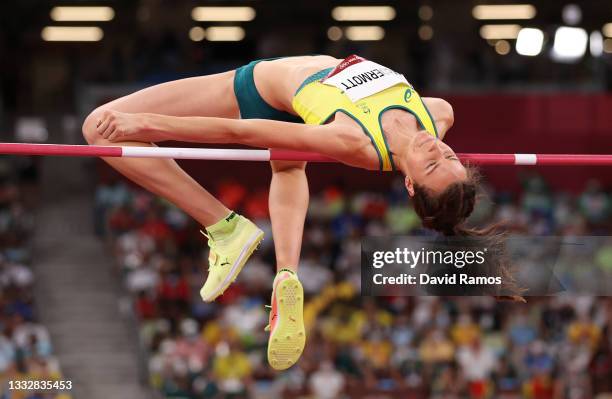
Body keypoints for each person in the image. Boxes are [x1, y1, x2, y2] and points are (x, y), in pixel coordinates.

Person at [82, 54, 474, 370]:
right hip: (302, 110)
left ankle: (222, 224)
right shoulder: (438, 115)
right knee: (288, 165)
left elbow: (242, 133)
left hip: (261, 89)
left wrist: (143, 122)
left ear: (409, 184)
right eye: (448, 154)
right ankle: (287, 272)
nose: (436, 150)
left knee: (97, 128)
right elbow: (433, 122)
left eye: (432, 165)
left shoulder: (355, 141)